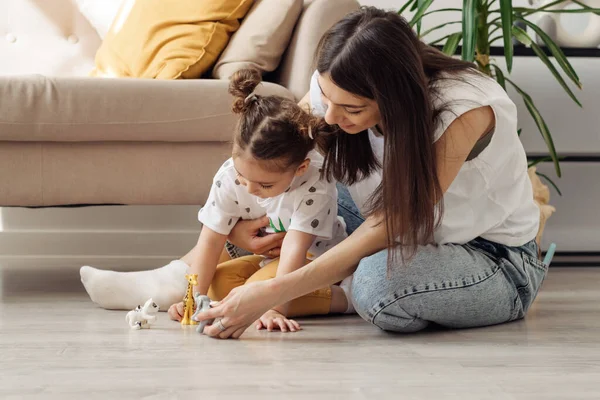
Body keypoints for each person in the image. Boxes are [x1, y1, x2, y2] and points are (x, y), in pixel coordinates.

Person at [192, 6, 549, 339]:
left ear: (395, 97)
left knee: (375, 286)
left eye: (351, 108)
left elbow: (394, 221)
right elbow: (280, 158)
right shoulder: (339, 86)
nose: (329, 117)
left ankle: (320, 288)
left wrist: (272, 292)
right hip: (393, 226)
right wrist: (237, 229)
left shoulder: (463, 110)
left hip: (491, 259)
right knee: (273, 192)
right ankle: (179, 280)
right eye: (326, 98)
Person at [80, 69, 354, 332]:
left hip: (311, 263)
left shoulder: (315, 184)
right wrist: (192, 297)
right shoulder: (229, 177)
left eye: (265, 184)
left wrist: (275, 308)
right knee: (218, 285)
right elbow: (210, 240)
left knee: (253, 294)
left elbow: (294, 251)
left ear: (300, 169)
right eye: (243, 176)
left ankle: (344, 299)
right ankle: (172, 286)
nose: (250, 189)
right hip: (267, 259)